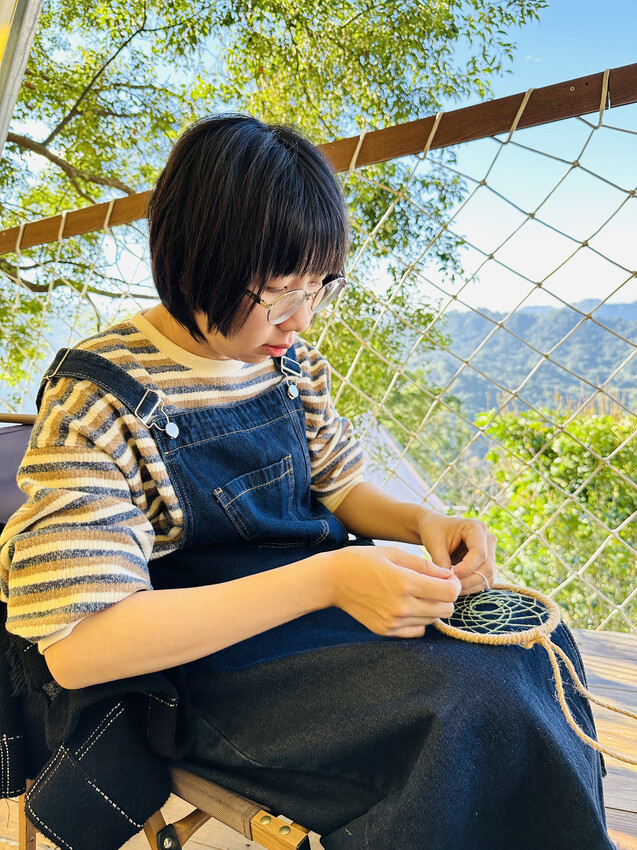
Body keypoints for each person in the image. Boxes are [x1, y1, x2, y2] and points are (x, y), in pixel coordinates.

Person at [0, 115, 612, 850]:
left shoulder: (291, 366)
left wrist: (421, 523)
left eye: (320, 286)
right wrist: (327, 581)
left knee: (526, 649)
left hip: (309, 616)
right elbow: (81, 647)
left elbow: (341, 486)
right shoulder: (99, 398)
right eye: (278, 289)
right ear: (194, 260)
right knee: (463, 705)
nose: (301, 318)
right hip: (199, 666)